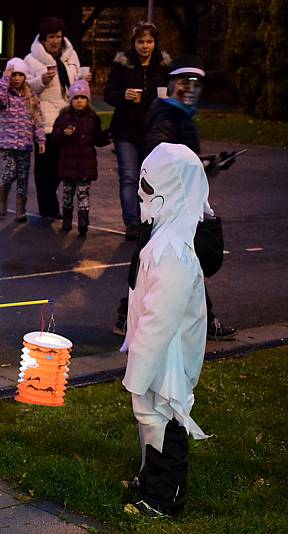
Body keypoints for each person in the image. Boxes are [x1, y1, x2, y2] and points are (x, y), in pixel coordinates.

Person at [114, 55, 237, 342]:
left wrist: (209, 163)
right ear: (171, 86)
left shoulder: (179, 115)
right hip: (170, 205)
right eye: (185, 83)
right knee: (181, 260)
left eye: (196, 84)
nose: (191, 89)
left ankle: (126, 312)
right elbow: (159, 152)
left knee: (158, 259)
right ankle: (203, 322)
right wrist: (199, 166)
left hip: (175, 203)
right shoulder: (168, 117)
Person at [121, 143, 212, 518]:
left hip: (167, 358)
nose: (142, 194)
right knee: (148, 417)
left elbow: (161, 317)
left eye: (148, 186)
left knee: (166, 417)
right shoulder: (162, 240)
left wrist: (138, 368)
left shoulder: (174, 252)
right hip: (153, 353)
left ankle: (165, 497)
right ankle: (149, 477)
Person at [104, 21, 171, 240]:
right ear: (133, 43)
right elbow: (108, 94)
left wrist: (166, 100)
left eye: (149, 41)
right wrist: (123, 95)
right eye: (141, 41)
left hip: (152, 131)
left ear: (155, 43)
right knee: (129, 176)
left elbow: (173, 91)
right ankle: (131, 222)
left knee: (150, 179)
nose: (145, 46)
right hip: (125, 128)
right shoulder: (123, 64)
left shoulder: (163, 66)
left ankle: (148, 219)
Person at [24, 17, 89, 219]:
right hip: (45, 121)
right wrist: (40, 81)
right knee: (46, 168)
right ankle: (48, 208)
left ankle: (53, 203)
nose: (55, 40)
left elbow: (75, 84)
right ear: (43, 39)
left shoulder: (71, 56)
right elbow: (25, 88)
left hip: (68, 118)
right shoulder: (31, 60)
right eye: (51, 37)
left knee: (65, 165)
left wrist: (83, 81)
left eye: (59, 36)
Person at [51, 79, 111, 235]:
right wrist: (64, 133)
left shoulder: (92, 118)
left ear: (87, 100)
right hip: (68, 164)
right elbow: (55, 137)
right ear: (71, 100)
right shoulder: (64, 117)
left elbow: (97, 138)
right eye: (76, 98)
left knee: (83, 194)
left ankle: (83, 221)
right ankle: (67, 220)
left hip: (85, 164)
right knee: (67, 194)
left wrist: (108, 137)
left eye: (82, 98)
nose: (79, 101)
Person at [0, 58, 46, 222]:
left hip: (24, 144)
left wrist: (41, 139)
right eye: (13, 75)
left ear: (25, 76)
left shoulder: (31, 97)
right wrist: (4, 77)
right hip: (7, 144)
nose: (16, 78)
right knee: (10, 172)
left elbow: (37, 120)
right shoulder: (5, 95)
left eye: (19, 75)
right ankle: (2, 193)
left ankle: (20, 209)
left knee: (22, 177)